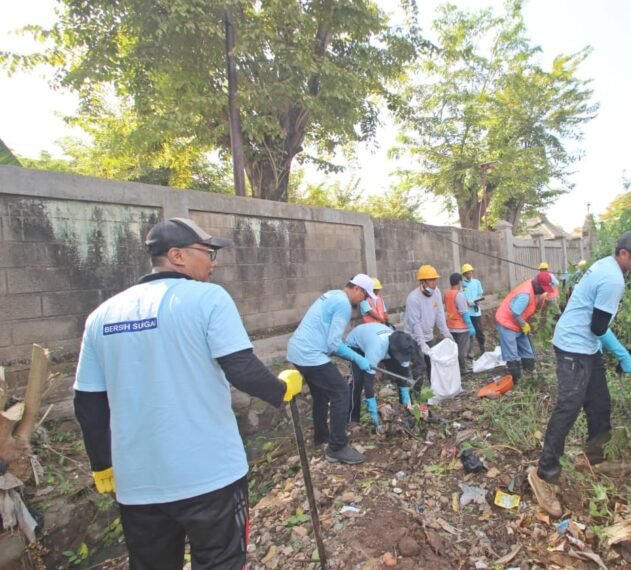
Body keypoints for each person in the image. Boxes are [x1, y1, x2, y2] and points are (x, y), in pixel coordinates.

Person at [73, 217, 302, 569]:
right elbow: (240, 367)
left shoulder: (102, 315)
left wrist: (102, 463)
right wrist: (282, 390)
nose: (213, 262)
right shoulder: (207, 297)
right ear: (177, 255)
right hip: (209, 476)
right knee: (220, 561)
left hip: (139, 484)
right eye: (208, 252)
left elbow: (88, 401)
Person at [528, 230, 631, 518]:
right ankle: (545, 474)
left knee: (600, 403)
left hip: (587, 347)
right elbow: (599, 327)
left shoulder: (605, 265)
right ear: (624, 253)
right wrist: (624, 355)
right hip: (573, 347)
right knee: (568, 406)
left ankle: (594, 458)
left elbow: (595, 324)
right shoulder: (613, 278)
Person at [287, 274, 377, 465]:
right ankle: (337, 448)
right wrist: (358, 358)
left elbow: (329, 342)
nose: (364, 301)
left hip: (298, 351)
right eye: (365, 296)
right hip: (310, 354)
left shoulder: (333, 295)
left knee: (321, 395)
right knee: (342, 392)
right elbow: (334, 344)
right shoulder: (343, 304)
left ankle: (321, 437)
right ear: (357, 290)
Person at [344, 323, 422, 430]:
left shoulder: (404, 346)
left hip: (376, 339)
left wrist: (406, 399)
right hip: (356, 345)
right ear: (393, 351)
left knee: (399, 374)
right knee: (358, 381)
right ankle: (352, 419)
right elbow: (368, 384)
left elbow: (403, 375)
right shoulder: (376, 348)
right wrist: (374, 414)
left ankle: (404, 410)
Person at [494, 272, 554, 385]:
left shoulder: (532, 287)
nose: (543, 291)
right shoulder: (525, 295)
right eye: (543, 289)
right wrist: (524, 325)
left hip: (518, 322)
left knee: (527, 351)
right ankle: (517, 381)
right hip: (507, 323)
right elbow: (515, 313)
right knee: (512, 354)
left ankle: (530, 375)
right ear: (537, 285)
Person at [405, 264, 451, 393]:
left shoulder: (436, 293)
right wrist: (422, 344)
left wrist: (446, 333)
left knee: (433, 364)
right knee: (420, 366)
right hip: (414, 338)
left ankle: (434, 390)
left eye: (435, 279)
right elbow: (415, 324)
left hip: (429, 335)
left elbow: (440, 314)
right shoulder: (413, 298)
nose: (434, 283)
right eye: (431, 280)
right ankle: (416, 393)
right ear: (423, 282)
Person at [444, 273, 476, 375]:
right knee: (462, 350)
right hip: (461, 327)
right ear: (459, 282)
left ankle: (454, 369)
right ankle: (462, 370)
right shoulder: (459, 295)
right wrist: (470, 326)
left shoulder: (447, 294)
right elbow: (464, 313)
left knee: (454, 350)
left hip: (451, 326)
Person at [460, 263, 485, 358]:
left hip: (476, 312)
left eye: (471, 272)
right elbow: (460, 297)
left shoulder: (476, 282)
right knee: (469, 333)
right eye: (468, 273)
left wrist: (477, 300)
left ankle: (482, 349)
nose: (470, 274)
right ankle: (470, 352)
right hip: (467, 312)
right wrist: (467, 301)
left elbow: (480, 294)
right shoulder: (462, 285)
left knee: (479, 331)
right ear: (464, 274)